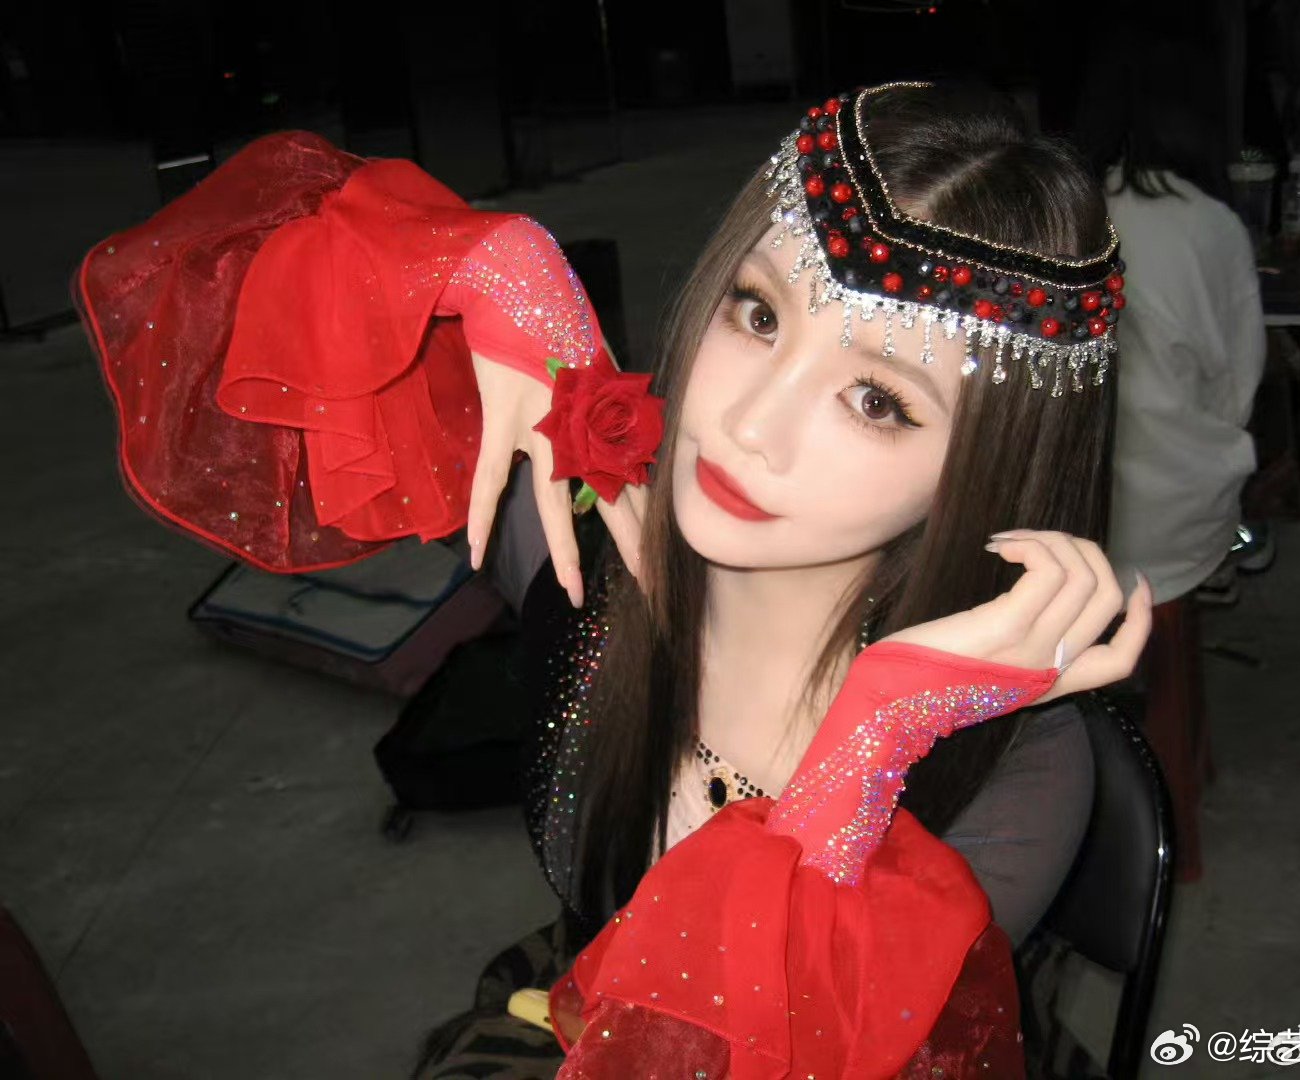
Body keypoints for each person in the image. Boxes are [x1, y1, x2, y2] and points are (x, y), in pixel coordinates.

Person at [76, 81, 1149, 1076]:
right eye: (759, 314)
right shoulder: (582, 546)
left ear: (989, 468)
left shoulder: (1010, 765)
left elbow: (769, 1048)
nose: (748, 422)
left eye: (877, 401)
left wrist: (862, 754)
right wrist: (477, 263)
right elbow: (209, 304)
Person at [1069, 16, 1267, 880]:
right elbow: (1238, 389)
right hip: (1175, 520)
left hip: (1068, 516)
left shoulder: (1063, 213)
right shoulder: (1212, 225)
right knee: (1207, 506)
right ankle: (1177, 792)